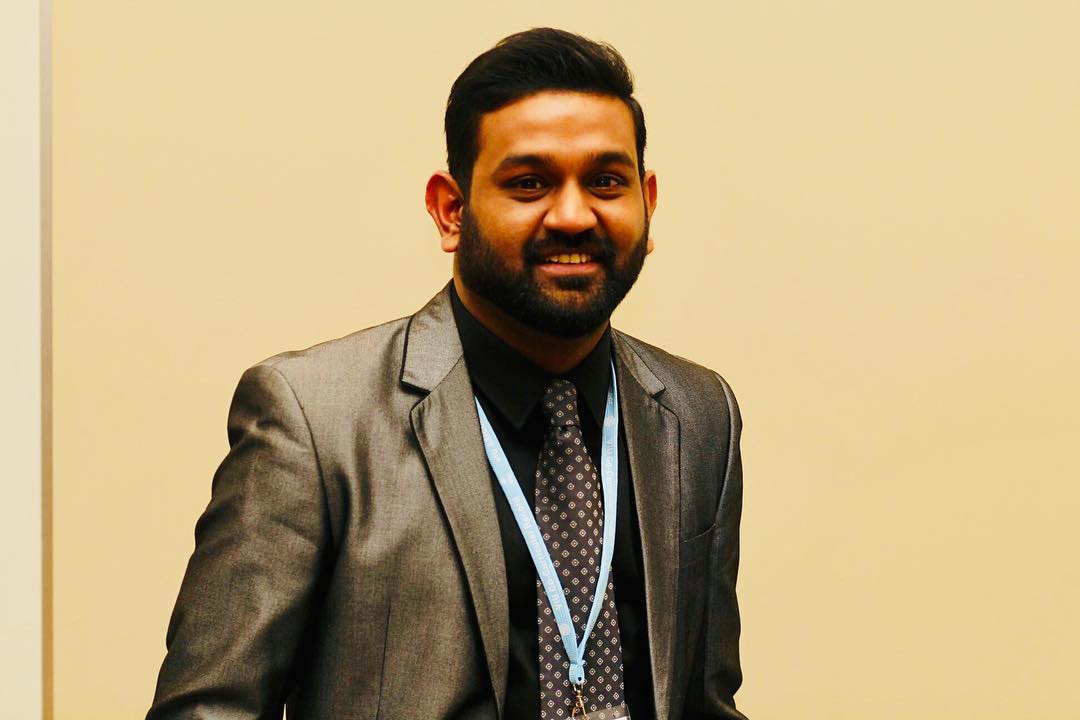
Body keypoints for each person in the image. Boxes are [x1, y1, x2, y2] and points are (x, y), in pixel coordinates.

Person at [147, 27, 748, 720]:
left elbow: (706, 700)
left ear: (647, 202)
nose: (573, 215)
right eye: (529, 183)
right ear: (451, 210)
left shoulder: (699, 413)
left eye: (606, 182)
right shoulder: (314, 420)